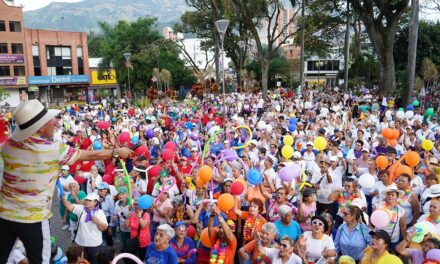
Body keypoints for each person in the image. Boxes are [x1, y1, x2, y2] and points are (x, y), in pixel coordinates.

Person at [0, 100, 131, 264]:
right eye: (50, 120)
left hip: (4, 215)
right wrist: (116, 151)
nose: (55, 122)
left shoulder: (9, 145)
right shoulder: (53, 149)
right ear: (39, 127)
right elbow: (91, 155)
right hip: (32, 218)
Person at [62, 193, 108, 264]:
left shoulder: (100, 213)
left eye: (90, 200)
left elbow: (104, 228)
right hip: (81, 243)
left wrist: (98, 222)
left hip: (95, 244)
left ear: (95, 202)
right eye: (86, 200)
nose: (87, 202)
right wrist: (63, 198)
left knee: (95, 262)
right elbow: (69, 206)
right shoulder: (81, 209)